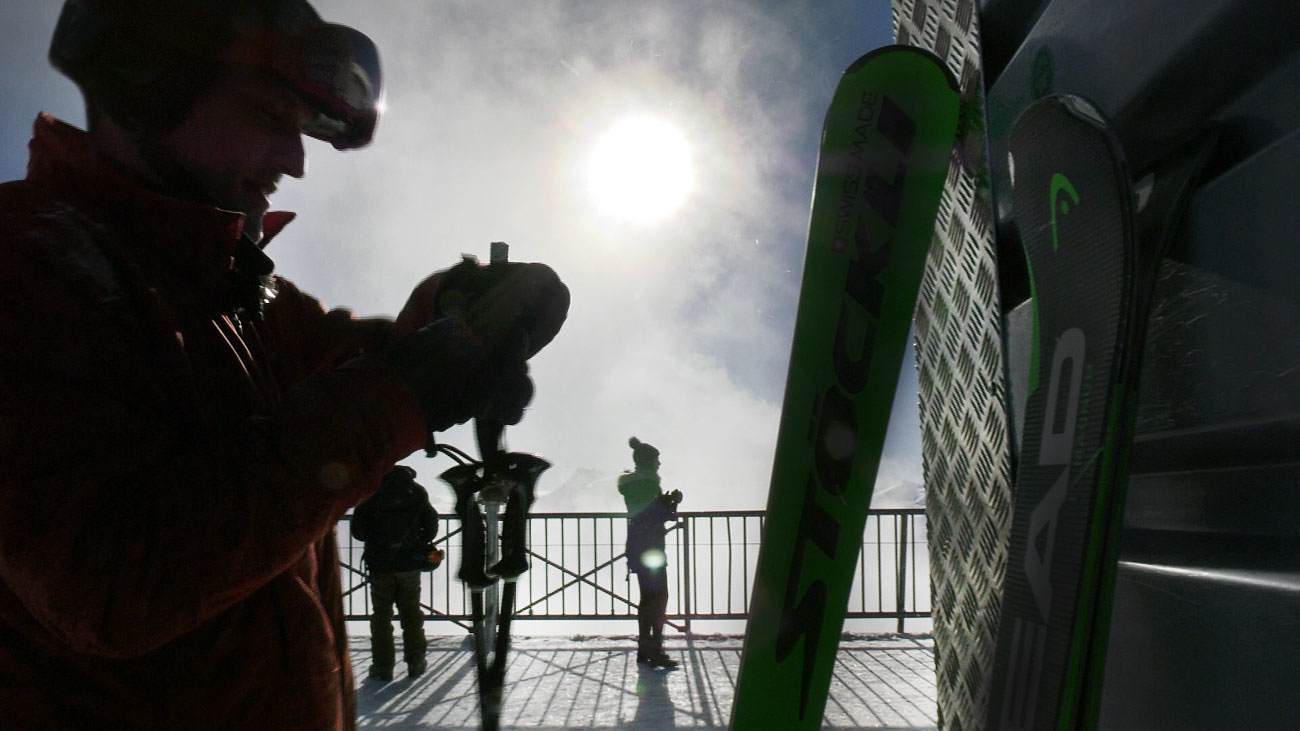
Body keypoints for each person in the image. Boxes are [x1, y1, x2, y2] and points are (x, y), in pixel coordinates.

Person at [0, 1, 568, 728]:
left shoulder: (237, 292)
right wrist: (405, 390)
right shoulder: (28, 268)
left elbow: (359, 363)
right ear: (147, 85)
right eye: (271, 116)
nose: (296, 161)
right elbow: (106, 579)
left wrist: (455, 311)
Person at [350, 466, 440, 682]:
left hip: (380, 564)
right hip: (409, 563)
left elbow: (358, 532)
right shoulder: (416, 491)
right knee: (411, 612)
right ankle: (416, 660)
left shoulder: (372, 491)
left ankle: (383, 667)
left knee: (381, 615)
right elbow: (431, 528)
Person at [618, 437, 683, 669]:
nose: (659, 464)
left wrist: (665, 502)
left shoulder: (632, 485)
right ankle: (655, 650)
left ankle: (645, 649)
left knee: (647, 598)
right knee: (659, 598)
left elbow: (643, 513)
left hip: (636, 546)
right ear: (649, 462)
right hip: (652, 548)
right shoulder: (649, 484)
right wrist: (671, 502)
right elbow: (656, 515)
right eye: (656, 460)